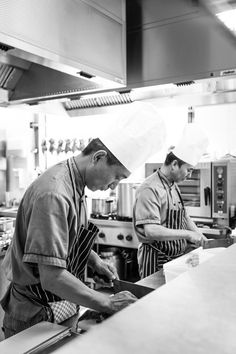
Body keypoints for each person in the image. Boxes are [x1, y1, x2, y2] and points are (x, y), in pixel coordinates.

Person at [0, 101, 166, 338]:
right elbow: (52, 277)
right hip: (35, 315)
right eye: (117, 177)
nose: (114, 185)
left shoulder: (75, 184)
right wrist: (107, 303)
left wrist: (94, 260)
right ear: (98, 157)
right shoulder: (54, 193)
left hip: (60, 304)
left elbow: (67, 237)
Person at [133, 122, 209, 278]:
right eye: (189, 170)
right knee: (153, 301)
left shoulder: (173, 185)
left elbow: (183, 216)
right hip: (155, 260)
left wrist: (202, 239)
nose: (190, 175)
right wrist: (188, 235)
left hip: (174, 259)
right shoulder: (150, 189)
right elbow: (151, 230)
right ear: (175, 164)